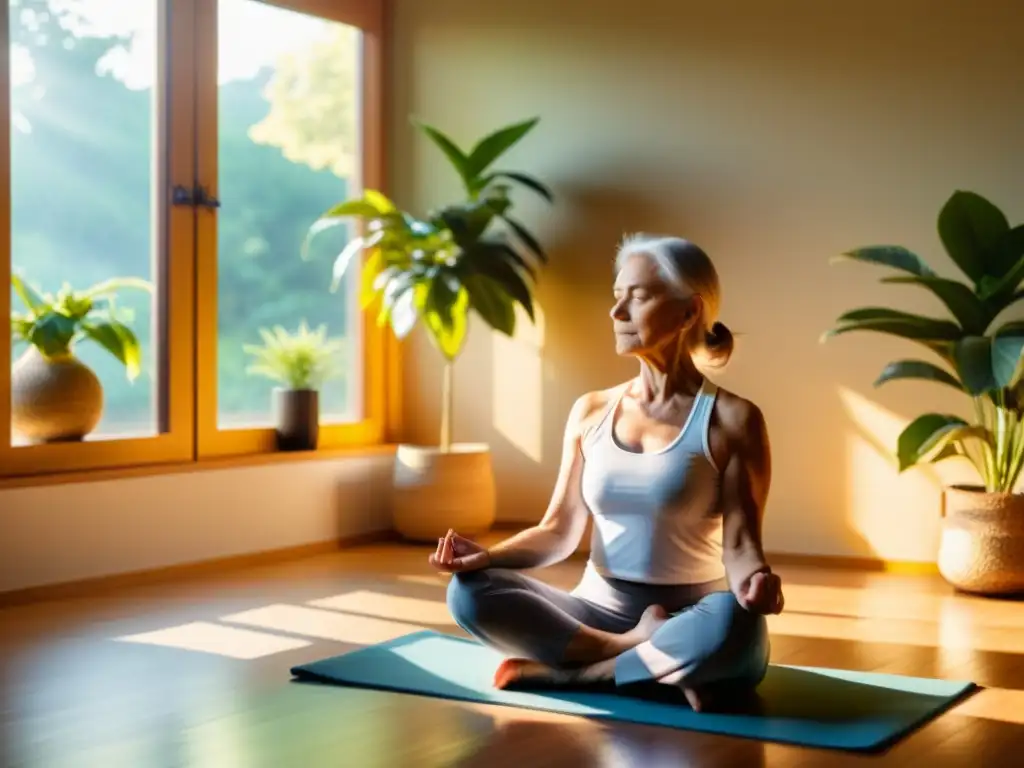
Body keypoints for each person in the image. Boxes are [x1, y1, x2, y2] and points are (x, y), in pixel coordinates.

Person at [429, 234, 784, 712]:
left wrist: (755, 584)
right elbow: (558, 532)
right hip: (590, 615)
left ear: (688, 312)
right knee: (469, 594)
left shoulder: (733, 420)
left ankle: (575, 676)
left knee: (733, 626)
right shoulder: (591, 410)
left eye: (637, 297)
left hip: (688, 617)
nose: (617, 313)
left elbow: (741, 548)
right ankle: (637, 659)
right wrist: (487, 559)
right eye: (617, 297)